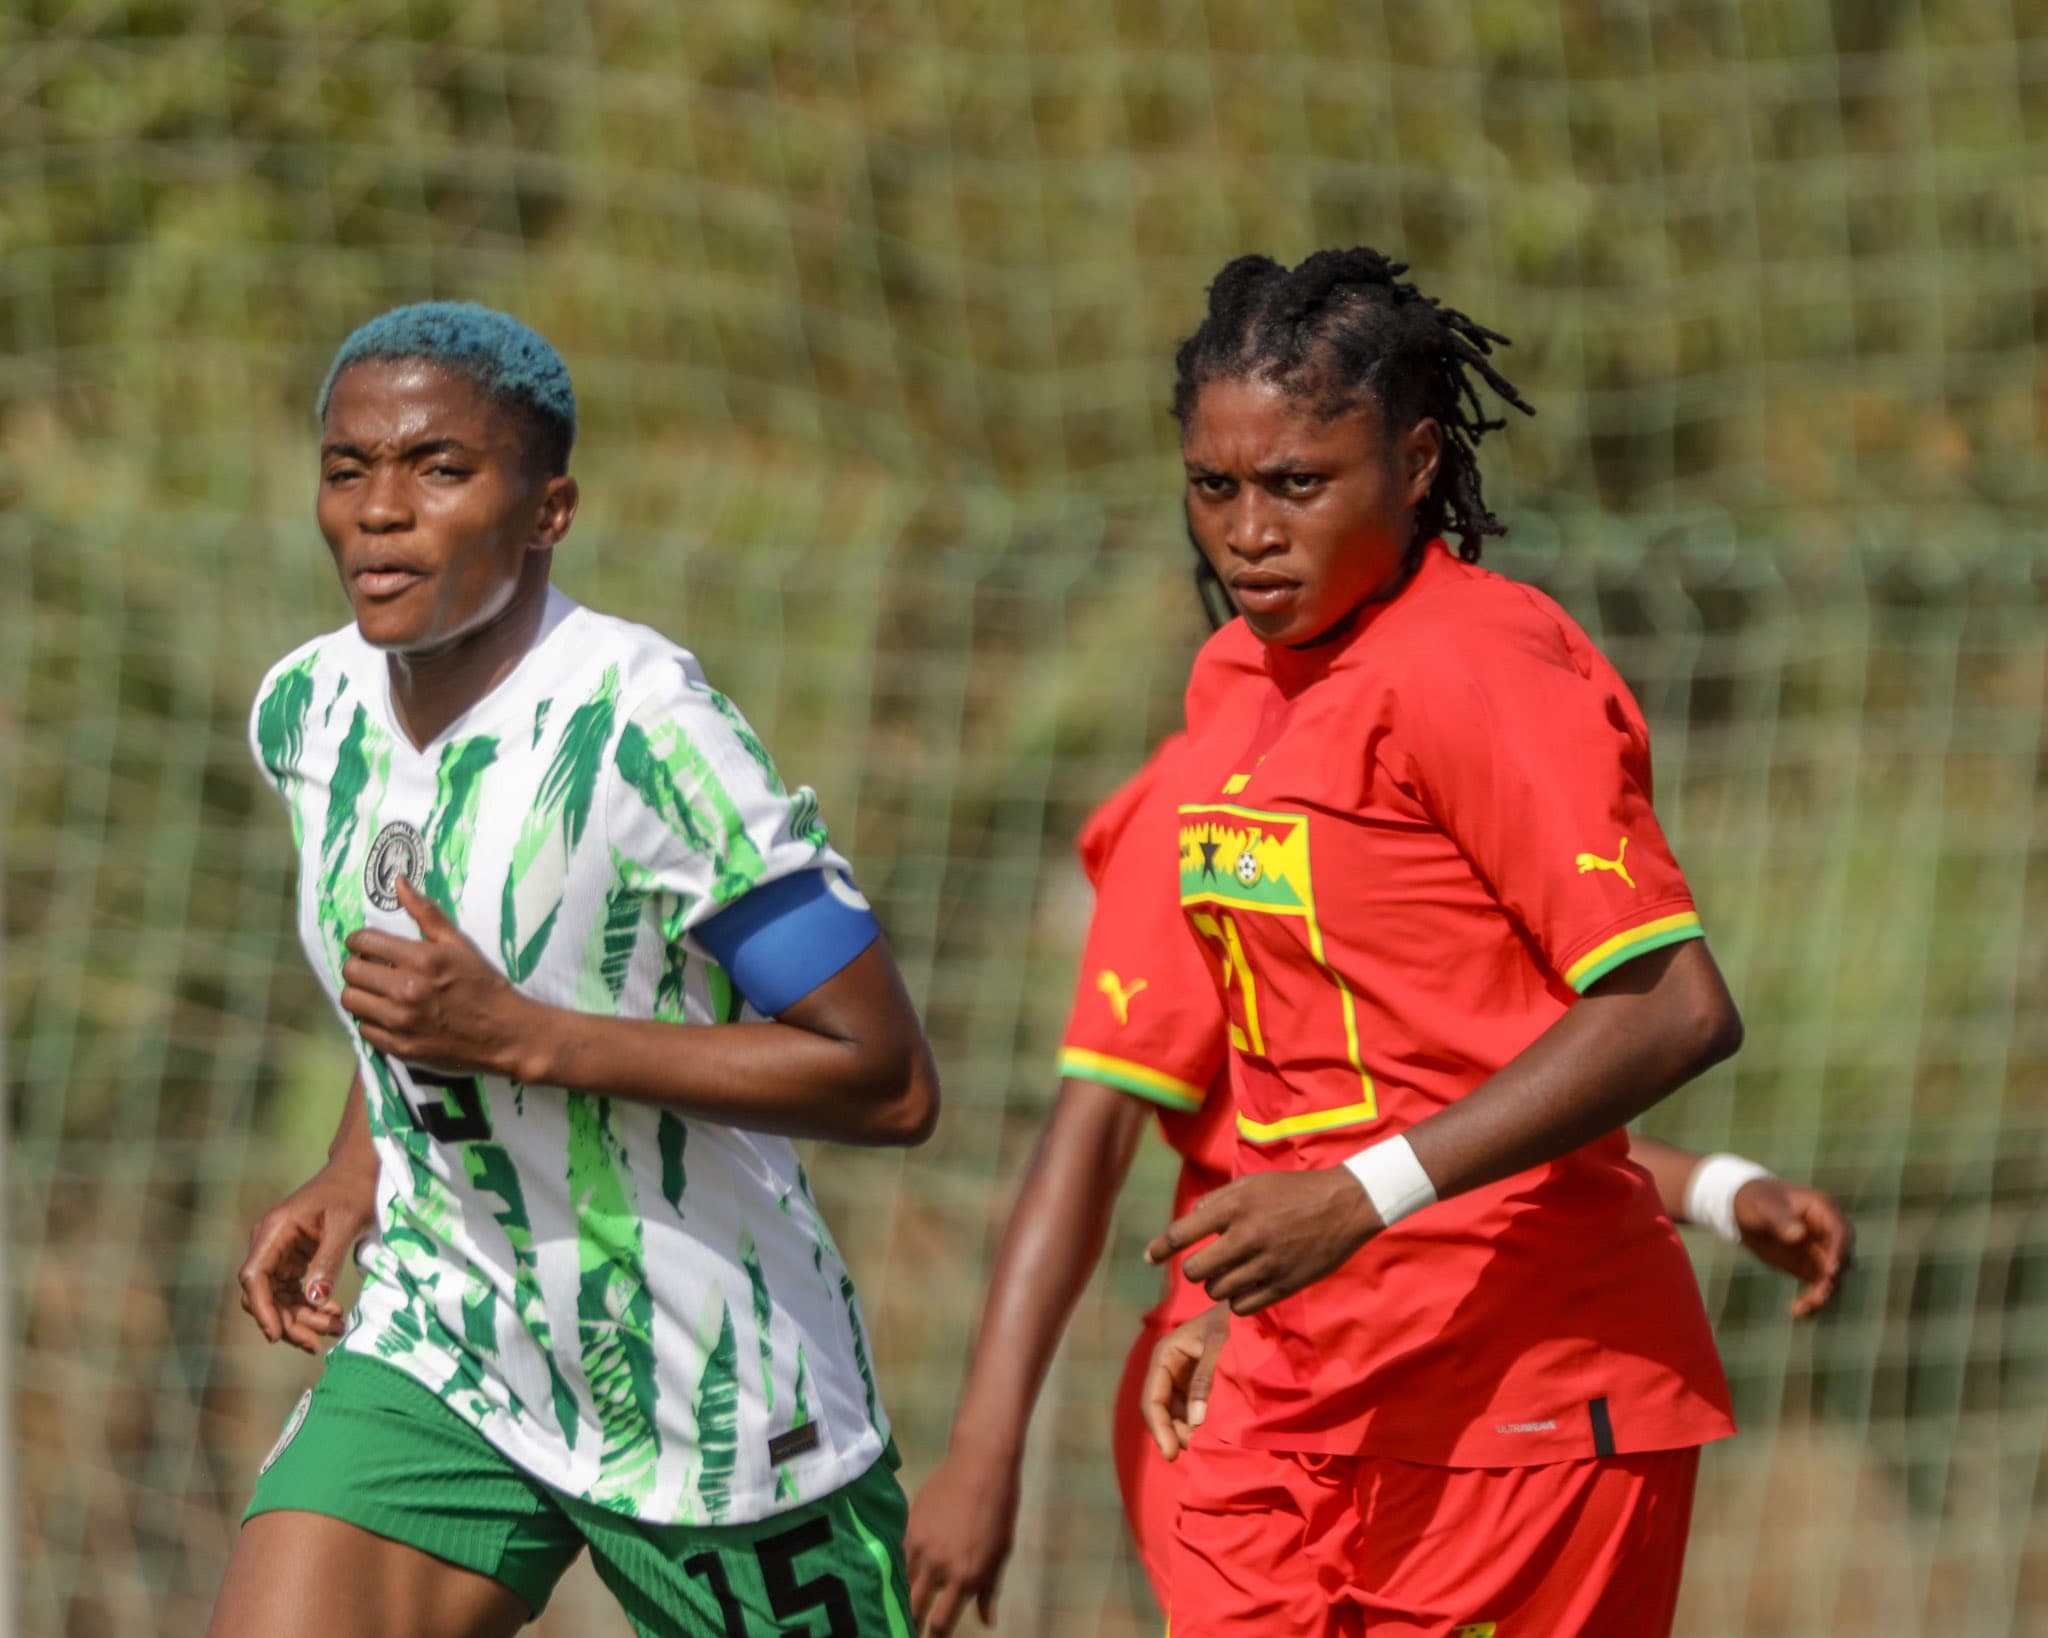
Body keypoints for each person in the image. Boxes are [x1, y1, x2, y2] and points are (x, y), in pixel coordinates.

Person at [214, 301, 937, 1638]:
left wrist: (523, 1035)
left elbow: (886, 1076)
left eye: (439, 468)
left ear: (548, 510)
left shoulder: (646, 730)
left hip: (708, 1378)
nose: (381, 510)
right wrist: (357, 1165)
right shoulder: (308, 711)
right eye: (346, 468)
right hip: (450, 1337)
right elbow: (408, 985)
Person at [905, 627, 1851, 1627]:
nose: (1258, 532)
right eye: (1229, 490)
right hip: (1248, 1372)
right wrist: (984, 1446)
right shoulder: (1216, 802)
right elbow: (1091, 1134)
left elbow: (1457, 1118)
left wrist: (1709, 1186)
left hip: (1464, 1368)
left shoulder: (1436, 746)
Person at [1133, 247, 1758, 1636]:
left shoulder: (1479, 664)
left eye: (1299, 483)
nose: (1246, 530)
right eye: (1213, 485)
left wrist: (1358, 1198)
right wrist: (1238, 1302)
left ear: (1417, 464)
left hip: (1524, 1402)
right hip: (1299, 1382)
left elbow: (1674, 1007)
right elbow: (1342, 1046)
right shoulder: (1234, 679)